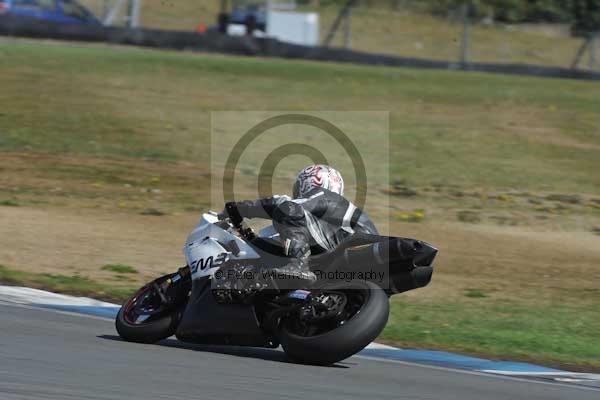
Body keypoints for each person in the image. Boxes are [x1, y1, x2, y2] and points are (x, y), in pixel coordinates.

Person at [220, 165, 378, 289]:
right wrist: (253, 240)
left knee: (287, 209)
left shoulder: (324, 197)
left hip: (351, 243)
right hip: (356, 257)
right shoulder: (327, 219)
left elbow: (285, 206)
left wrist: (237, 208)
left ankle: (297, 265)